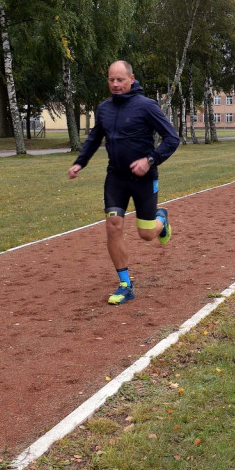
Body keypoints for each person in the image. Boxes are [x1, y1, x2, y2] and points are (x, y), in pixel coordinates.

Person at [68, 60, 180, 305]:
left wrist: (150, 160)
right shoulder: (104, 109)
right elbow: (94, 138)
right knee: (113, 225)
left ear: (131, 78)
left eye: (120, 79)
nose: (116, 84)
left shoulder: (146, 106)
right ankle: (125, 285)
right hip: (116, 177)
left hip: (144, 178)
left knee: (147, 234)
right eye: (111, 80)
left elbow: (172, 138)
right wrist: (79, 163)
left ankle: (161, 219)